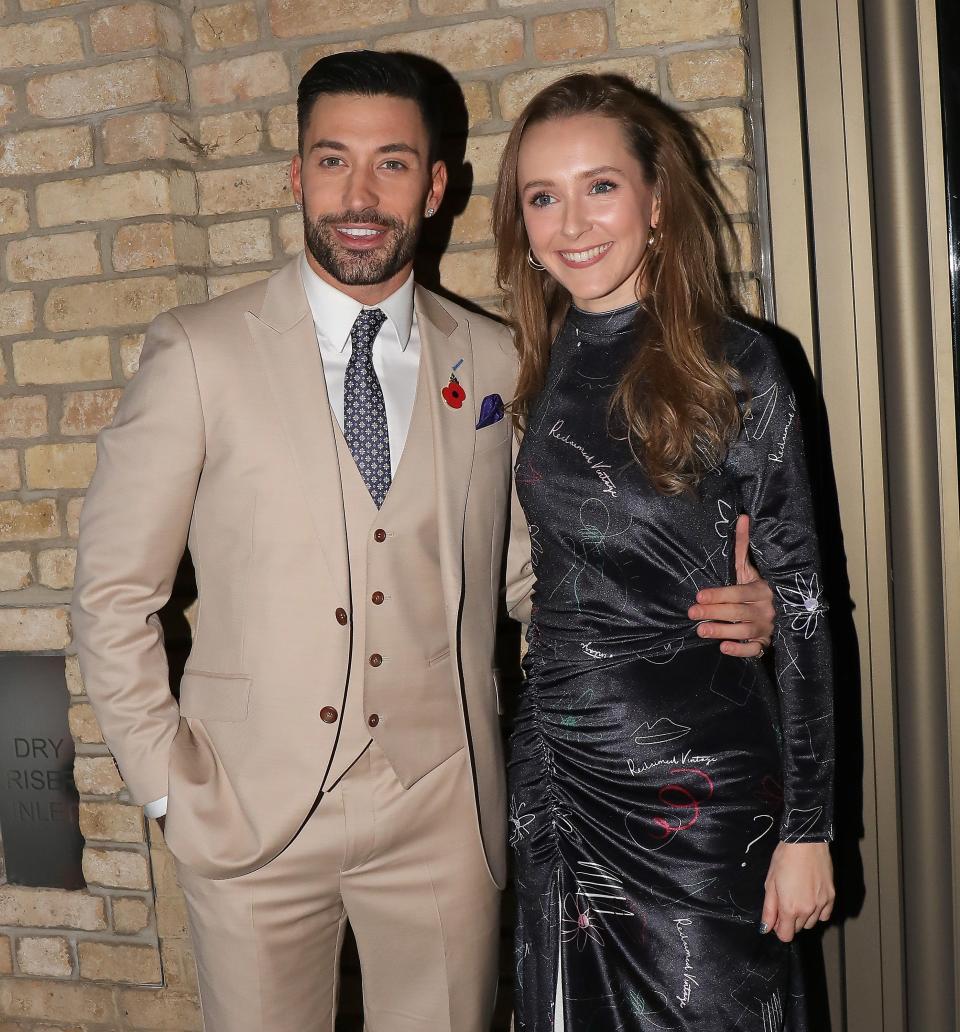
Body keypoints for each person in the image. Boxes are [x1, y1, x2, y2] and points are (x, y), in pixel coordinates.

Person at [72, 52, 775, 1032]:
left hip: (442, 813)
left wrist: (718, 602)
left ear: (436, 185)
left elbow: (541, 573)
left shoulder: (494, 358)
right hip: (247, 815)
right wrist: (166, 793)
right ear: (297, 173)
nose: (359, 195)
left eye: (393, 164)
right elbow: (112, 597)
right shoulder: (198, 351)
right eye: (333, 161)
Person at [493, 73, 835, 1031]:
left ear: (656, 201)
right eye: (542, 196)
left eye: (600, 186)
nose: (572, 222)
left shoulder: (740, 363)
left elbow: (803, 612)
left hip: (705, 792)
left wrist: (809, 828)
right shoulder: (533, 360)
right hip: (560, 773)